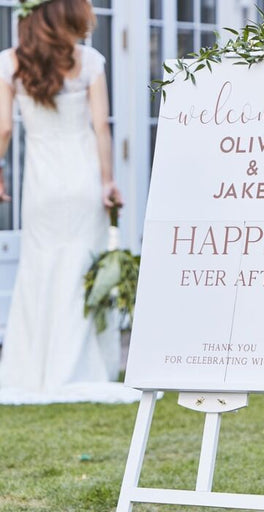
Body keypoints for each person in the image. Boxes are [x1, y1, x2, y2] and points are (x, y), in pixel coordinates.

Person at [0, 0, 139, 403]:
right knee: (81, 269)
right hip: (82, 179)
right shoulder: (90, 62)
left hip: (42, 185)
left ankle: (36, 371)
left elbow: (4, 128)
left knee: (41, 269)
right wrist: (108, 180)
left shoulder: (9, 63)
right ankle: (83, 367)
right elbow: (100, 128)